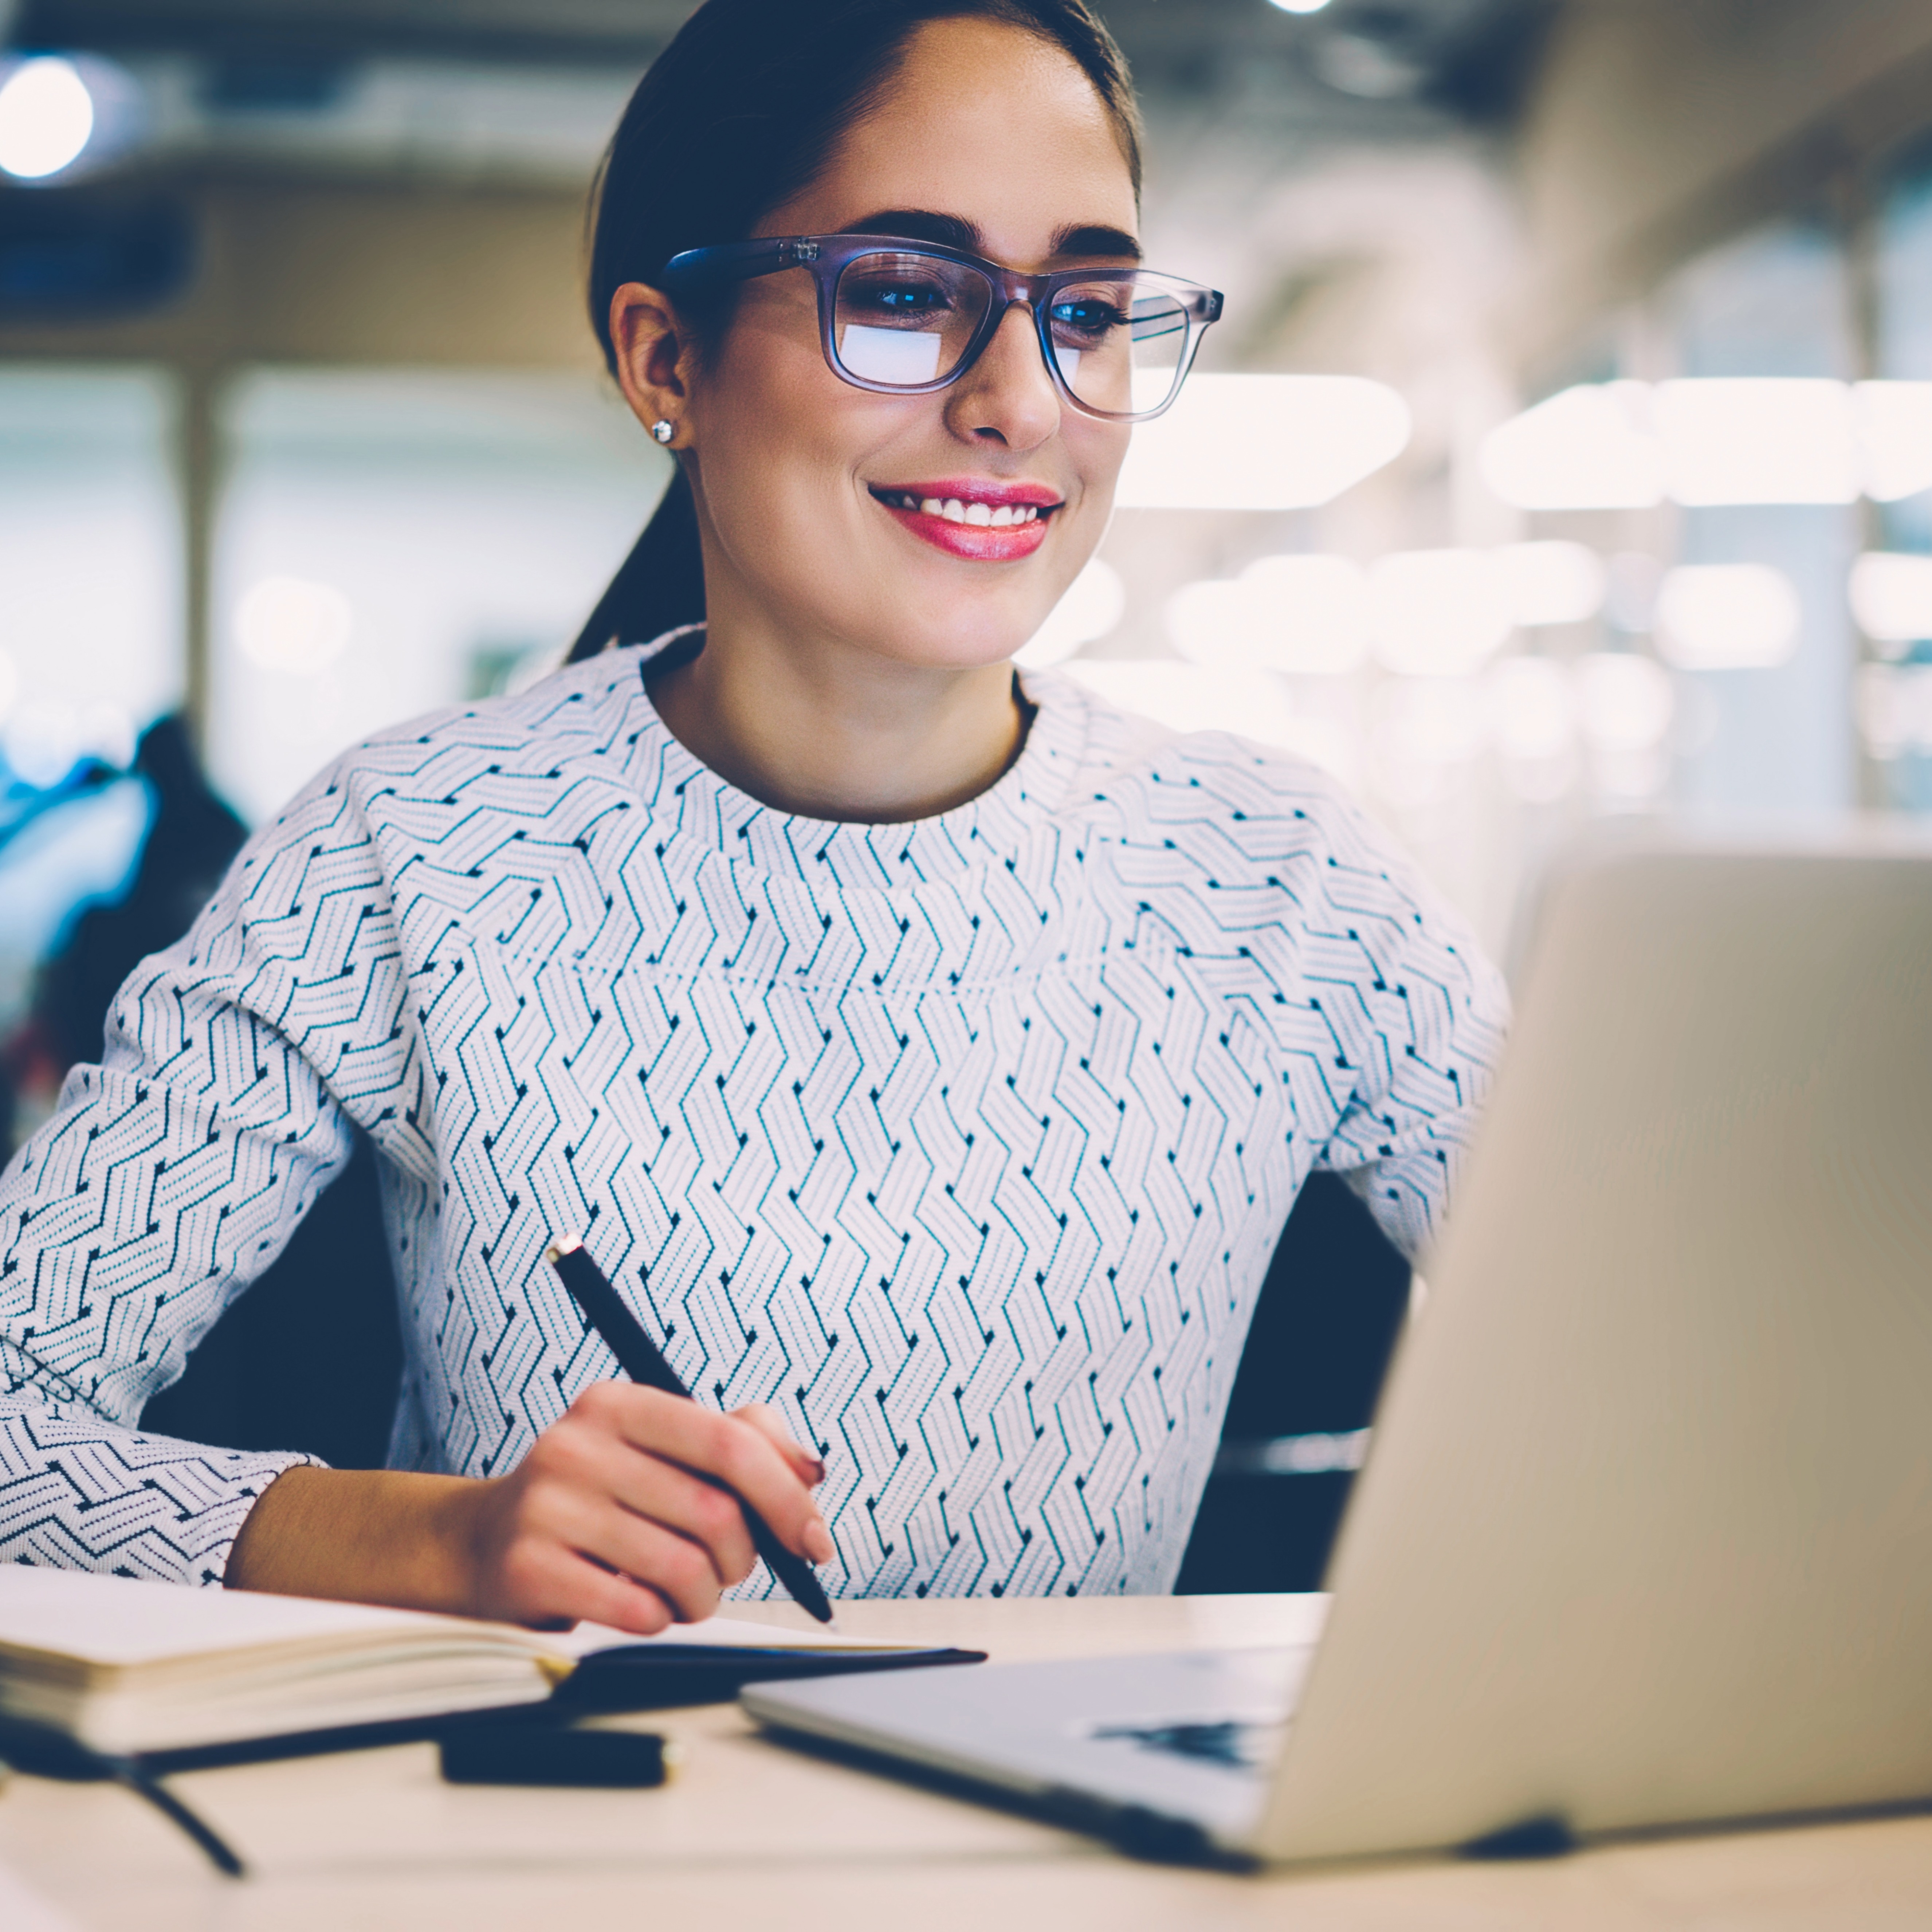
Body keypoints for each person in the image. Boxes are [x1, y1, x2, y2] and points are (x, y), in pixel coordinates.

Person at [0, 0, 1507, 1630]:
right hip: (567, 1861)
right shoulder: (412, 851)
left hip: (1084, 1882)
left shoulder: (1282, 886)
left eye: (1085, 309)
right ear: (668, 359)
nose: (1023, 398)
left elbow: (1694, 1357)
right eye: (906, 292)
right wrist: (426, 1544)